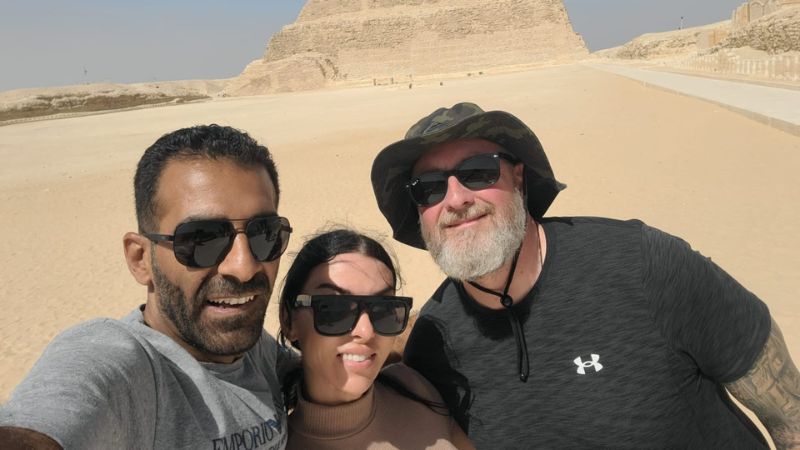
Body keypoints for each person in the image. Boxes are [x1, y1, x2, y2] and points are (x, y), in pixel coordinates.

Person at [369, 102, 800, 449]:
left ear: (518, 179)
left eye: (478, 172)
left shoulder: (644, 265)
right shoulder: (434, 344)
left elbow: (789, 415)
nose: (457, 199)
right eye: (429, 187)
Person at [0, 125, 294, 449]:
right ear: (141, 259)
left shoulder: (255, 350)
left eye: (264, 233)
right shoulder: (127, 365)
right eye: (202, 239)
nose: (244, 265)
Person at [278, 229, 473, 449]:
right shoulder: (278, 444)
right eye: (334, 309)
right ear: (288, 320)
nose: (366, 331)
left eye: (383, 309)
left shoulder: (413, 386)